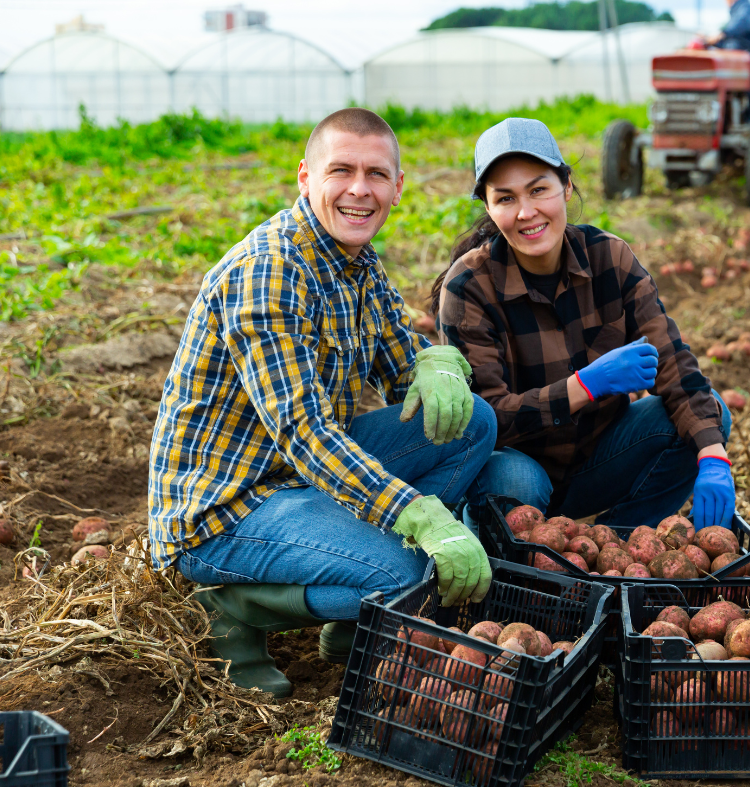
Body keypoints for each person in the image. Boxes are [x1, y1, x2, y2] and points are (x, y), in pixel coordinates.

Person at [148, 108, 497, 697]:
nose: (360, 190)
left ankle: (354, 605)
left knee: (469, 423)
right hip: (230, 506)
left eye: (376, 175)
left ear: (398, 186)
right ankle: (232, 604)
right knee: (408, 570)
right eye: (342, 171)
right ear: (306, 178)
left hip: (298, 479)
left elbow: (397, 358)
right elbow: (307, 433)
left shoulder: (355, 262)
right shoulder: (269, 272)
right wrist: (423, 517)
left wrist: (435, 362)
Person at [434, 118, 735, 531]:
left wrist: (713, 455)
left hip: (599, 459)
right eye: (505, 198)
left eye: (539, 190)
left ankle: (621, 542)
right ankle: (519, 560)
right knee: (515, 478)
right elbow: (484, 421)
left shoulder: (608, 258)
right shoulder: (469, 287)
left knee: (709, 416)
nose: (526, 212)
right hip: (516, 470)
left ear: (567, 186)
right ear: (487, 207)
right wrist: (583, 387)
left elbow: (671, 360)